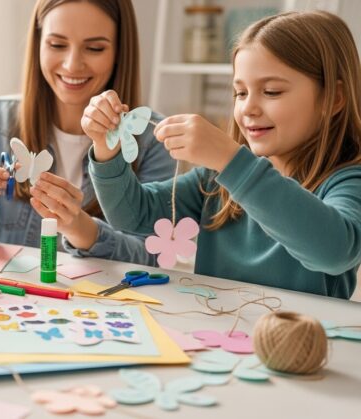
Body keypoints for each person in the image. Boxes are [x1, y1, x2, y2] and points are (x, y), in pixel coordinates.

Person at [83, 11, 361, 298]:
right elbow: (132, 214)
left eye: (271, 91)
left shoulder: (348, 181)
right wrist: (106, 148)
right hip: (212, 325)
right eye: (240, 93)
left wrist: (231, 160)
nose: (248, 108)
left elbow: (334, 253)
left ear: (333, 99)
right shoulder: (216, 180)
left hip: (297, 330)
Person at [0, 0, 173, 264]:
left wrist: (81, 229)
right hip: (16, 289)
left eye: (94, 48)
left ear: (120, 51)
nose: (72, 65)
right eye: (57, 45)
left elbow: (154, 258)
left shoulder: (153, 137)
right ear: (38, 43)